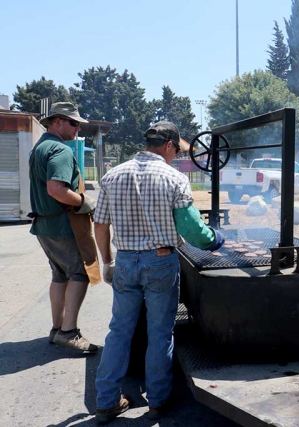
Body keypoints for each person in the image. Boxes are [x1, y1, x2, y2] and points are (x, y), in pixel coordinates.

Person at [93, 121, 225, 424]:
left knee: (119, 332)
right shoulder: (173, 178)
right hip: (160, 262)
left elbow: (100, 224)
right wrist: (214, 240)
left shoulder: (112, 175)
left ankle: (106, 401)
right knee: (160, 333)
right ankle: (158, 400)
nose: (175, 154)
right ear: (168, 145)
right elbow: (192, 229)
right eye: (176, 149)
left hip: (125, 262)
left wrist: (108, 262)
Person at [29, 102, 99, 353]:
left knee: (59, 275)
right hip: (62, 225)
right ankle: (68, 332)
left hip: (45, 225)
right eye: (73, 123)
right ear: (56, 121)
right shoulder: (59, 150)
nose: (78, 128)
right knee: (79, 273)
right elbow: (56, 189)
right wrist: (84, 202)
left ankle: (57, 328)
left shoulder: (40, 147)